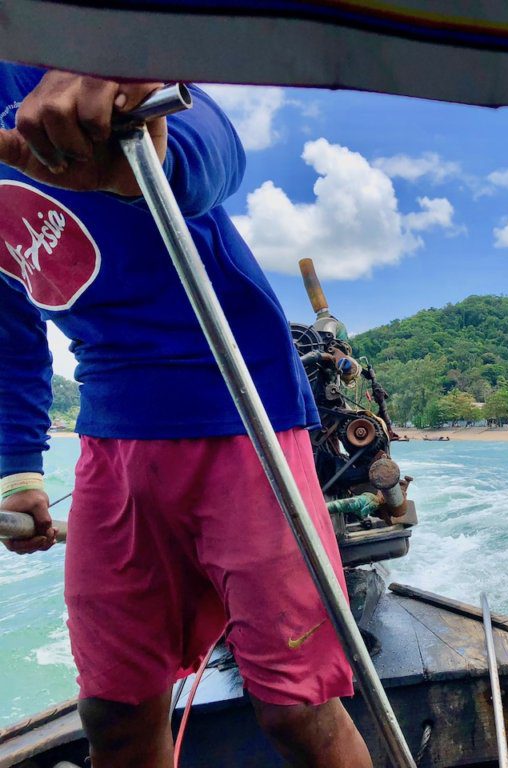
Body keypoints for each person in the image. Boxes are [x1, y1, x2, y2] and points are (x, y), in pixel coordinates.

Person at [0, 66, 372, 768]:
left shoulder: (51, 50)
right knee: (112, 714)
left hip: (241, 414)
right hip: (111, 433)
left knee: (297, 709)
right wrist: (18, 469)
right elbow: (10, 334)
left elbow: (217, 147)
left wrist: (145, 139)